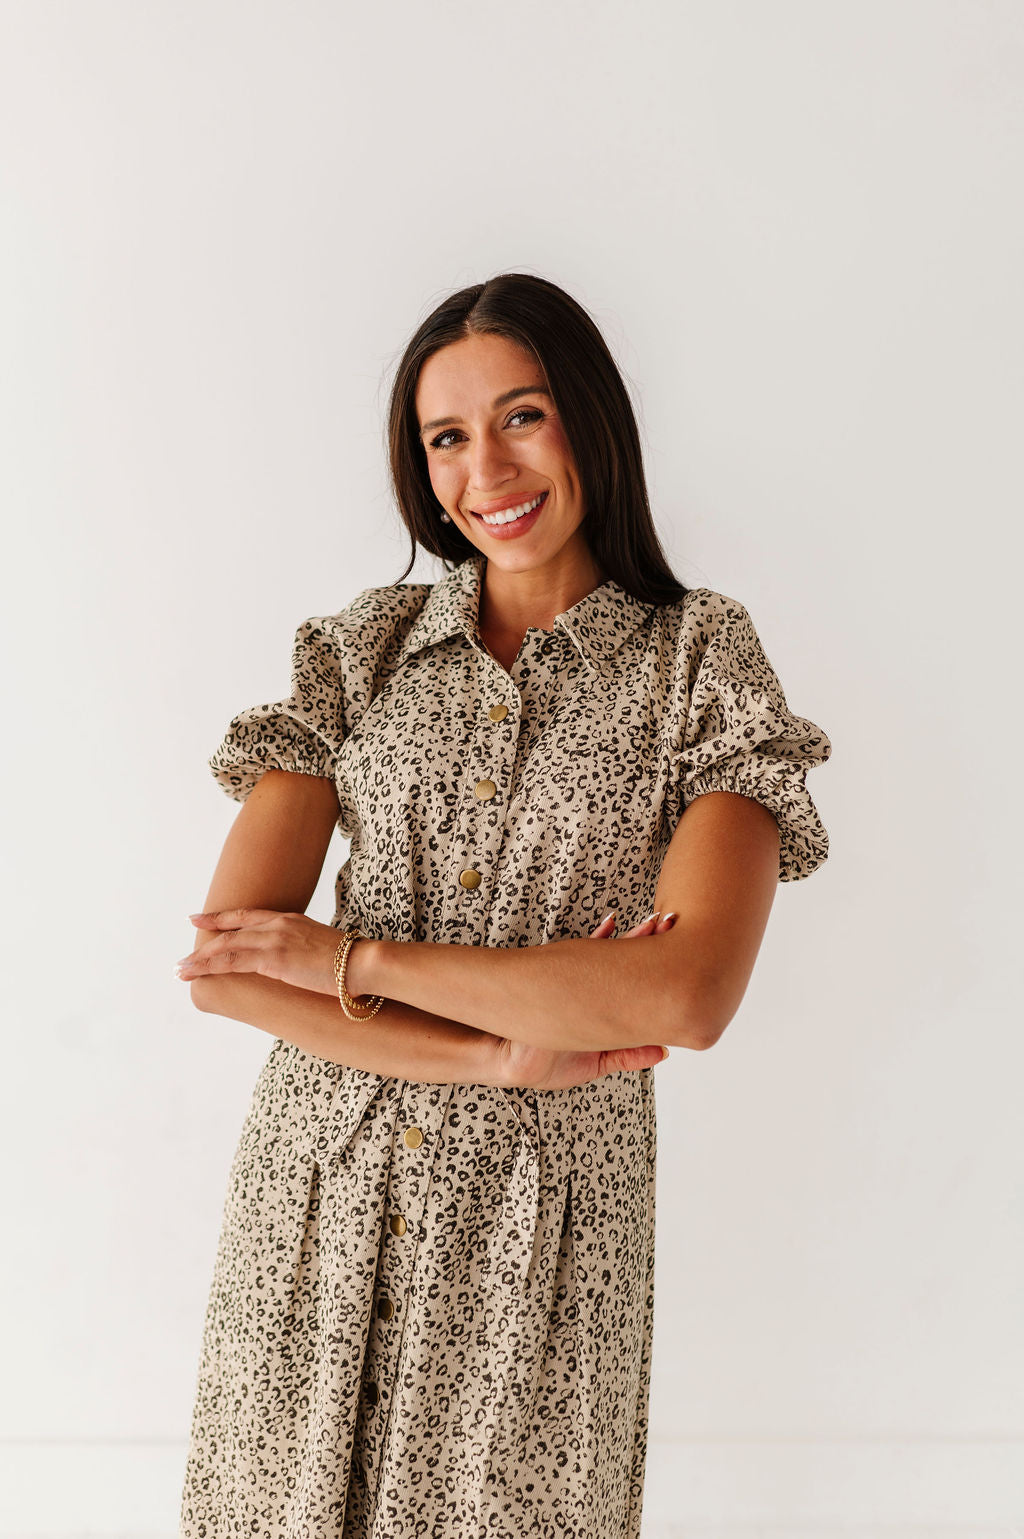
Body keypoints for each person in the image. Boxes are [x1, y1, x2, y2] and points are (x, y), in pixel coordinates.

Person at [174, 272, 832, 1538]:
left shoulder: (700, 662)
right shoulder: (359, 652)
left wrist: (349, 957)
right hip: (316, 1201)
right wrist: (496, 1047)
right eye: (447, 437)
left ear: (590, 418)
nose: (488, 470)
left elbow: (684, 994)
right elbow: (231, 967)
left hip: (543, 1230)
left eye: (522, 415)